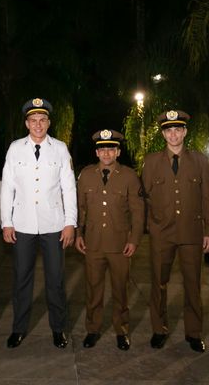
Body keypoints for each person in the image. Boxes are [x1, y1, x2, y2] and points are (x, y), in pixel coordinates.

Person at [1, 97, 77, 349]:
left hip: (54, 225)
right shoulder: (14, 149)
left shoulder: (60, 148)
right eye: (33, 120)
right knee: (22, 279)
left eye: (42, 120)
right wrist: (6, 222)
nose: (38, 124)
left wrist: (70, 223)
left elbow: (69, 188)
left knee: (55, 280)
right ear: (26, 123)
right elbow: (7, 189)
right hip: (22, 225)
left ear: (48, 123)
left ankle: (58, 329)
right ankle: (19, 329)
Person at [141, 110, 209, 352]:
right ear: (163, 134)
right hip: (162, 233)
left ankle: (194, 333)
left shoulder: (200, 161)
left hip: (192, 233)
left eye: (177, 130)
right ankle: (158, 329)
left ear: (185, 132)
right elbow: (145, 198)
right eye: (168, 130)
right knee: (159, 283)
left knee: (193, 284)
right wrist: (150, 227)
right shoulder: (151, 161)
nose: (173, 134)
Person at [75, 129, 143, 350]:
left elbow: (137, 211)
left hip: (119, 244)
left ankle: (121, 330)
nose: (106, 153)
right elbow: (80, 209)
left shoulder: (129, 176)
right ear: (96, 152)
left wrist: (133, 240)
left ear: (118, 152)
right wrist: (78, 234)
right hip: (93, 243)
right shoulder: (85, 175)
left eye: (111, 149)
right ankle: (93, 329)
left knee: (120, 290)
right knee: (93, 289)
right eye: (102, 149)